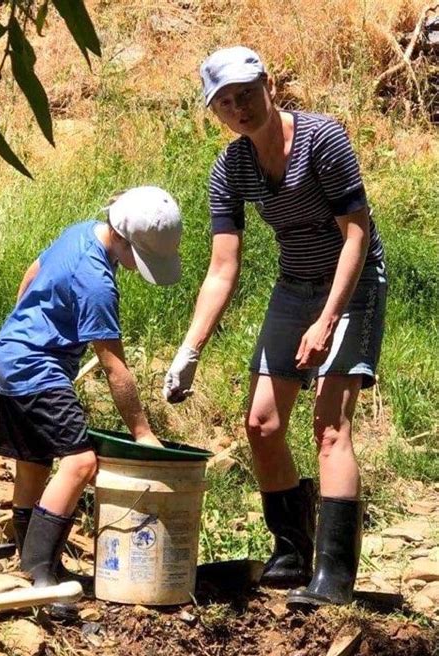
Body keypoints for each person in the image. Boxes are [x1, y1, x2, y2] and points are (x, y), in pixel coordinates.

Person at [163, 47, 387, 609]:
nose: (239, 107)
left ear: (268, 84)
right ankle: (292, 548)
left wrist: (328, 319)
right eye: (225, 102)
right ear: (215, 111)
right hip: (294, 285)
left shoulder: (322, 140)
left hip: (351, 284)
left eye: (246, 92)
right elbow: (223, 267)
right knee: (262, 424)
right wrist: (190, 349)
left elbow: (356, 235)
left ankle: (334, 578)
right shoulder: (231, 167)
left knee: (330, 427)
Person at [0, 186, 182, 617]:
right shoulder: (98, 283)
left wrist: (22, 326)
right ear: (127, 241)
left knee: (34, 460)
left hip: (10, 353)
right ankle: (42, 574)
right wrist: (143, 434)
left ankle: (28, 558)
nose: (138, 269)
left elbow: (33, 271)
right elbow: (114, 367)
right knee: (80, 463)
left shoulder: (82, 232)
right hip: (36, 367)